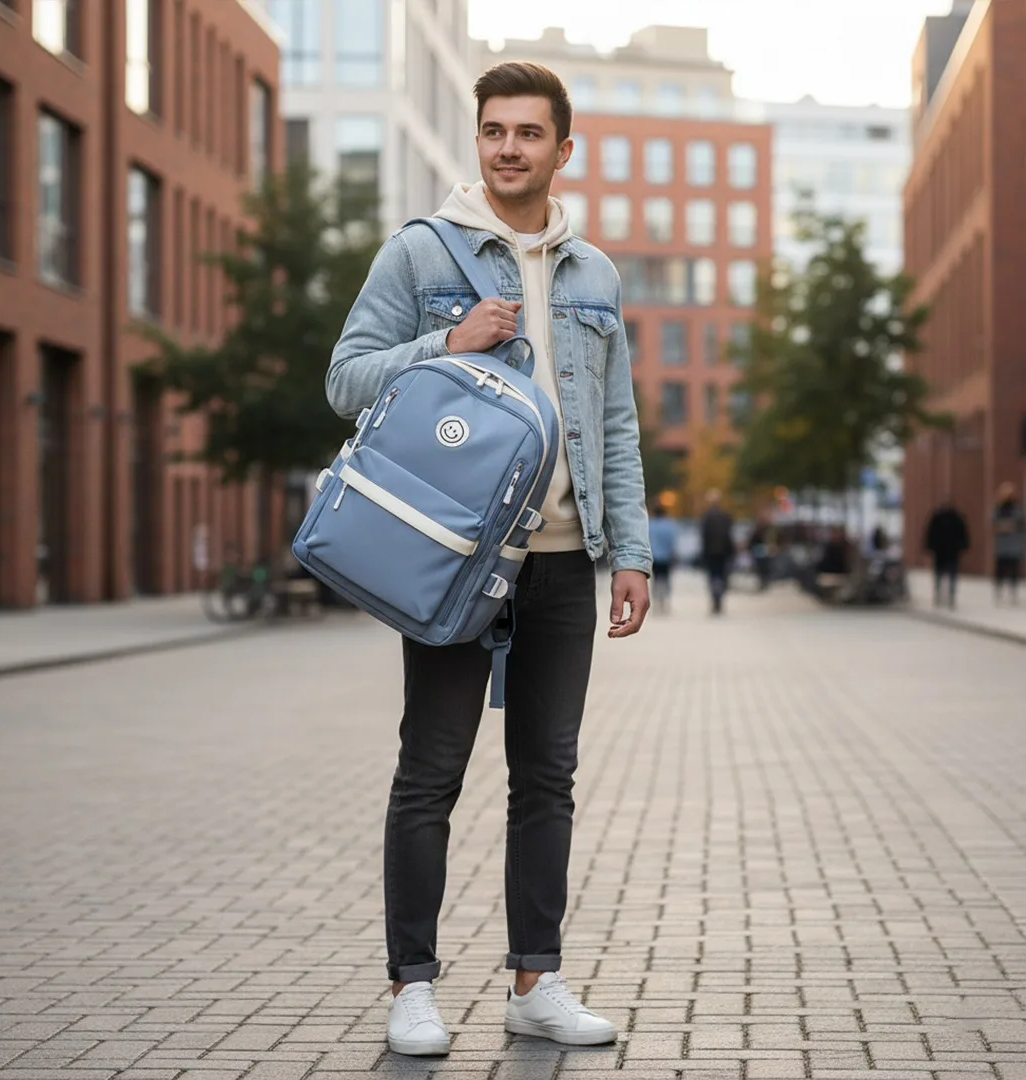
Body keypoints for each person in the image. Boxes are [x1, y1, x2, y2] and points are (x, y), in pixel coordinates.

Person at [325, 62, 652, 1056]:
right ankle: (413, 986)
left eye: (528, 132)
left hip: (562, 558)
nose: (508, 146)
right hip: (459, 560)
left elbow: (617, 423)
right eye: (494, 130)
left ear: (563, 147)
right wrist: (446, 341)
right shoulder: (422, 253)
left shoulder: (594, 274)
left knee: (545, 776)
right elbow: (346, 382)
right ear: (478, 140)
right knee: (430, 771)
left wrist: (629, 550)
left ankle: (534, 981)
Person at [923, 497, 969, 609]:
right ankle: (941, 595)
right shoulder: (939, 517)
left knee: (948, 573)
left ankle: (947, 596)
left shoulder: (954, 518)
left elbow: (963, 533)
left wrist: (963, 545)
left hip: (948, 549)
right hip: (943, 549)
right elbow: (930, 533)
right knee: (942, 573)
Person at [700, 489, 735, 614]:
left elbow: (703, 536)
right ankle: (719, 598)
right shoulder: (725, 516)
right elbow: (729, 536)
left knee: (713, 576)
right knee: (721, 576)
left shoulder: (706, 517)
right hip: (723, 553)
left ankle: (715, 599)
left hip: (710, 553)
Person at [993, 482, 1025, 604]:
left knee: (1014, 569)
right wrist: (1005, 526)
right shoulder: (998, 509)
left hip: (1014, 545)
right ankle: (999, 591)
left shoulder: (1017, 509)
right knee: (1000, 569)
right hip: (1001, 545)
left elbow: (1021, 524)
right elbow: (993, 524)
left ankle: (1013, 593)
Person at [648, 501, 678, 613]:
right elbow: (672, 541)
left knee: (655, 580)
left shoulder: (650, 524)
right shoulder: (669, 524)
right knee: (666, 580)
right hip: (666, 557)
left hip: (654, 556)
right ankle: (665, 602)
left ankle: (656, 601)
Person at [747, 513, 774, 592]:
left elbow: (752, 541)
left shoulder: (761, 530)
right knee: (763, 568)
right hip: (760, 550)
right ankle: (764, 581)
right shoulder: (763, 530)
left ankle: (764, 582)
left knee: (762, 568)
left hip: (760, 550)